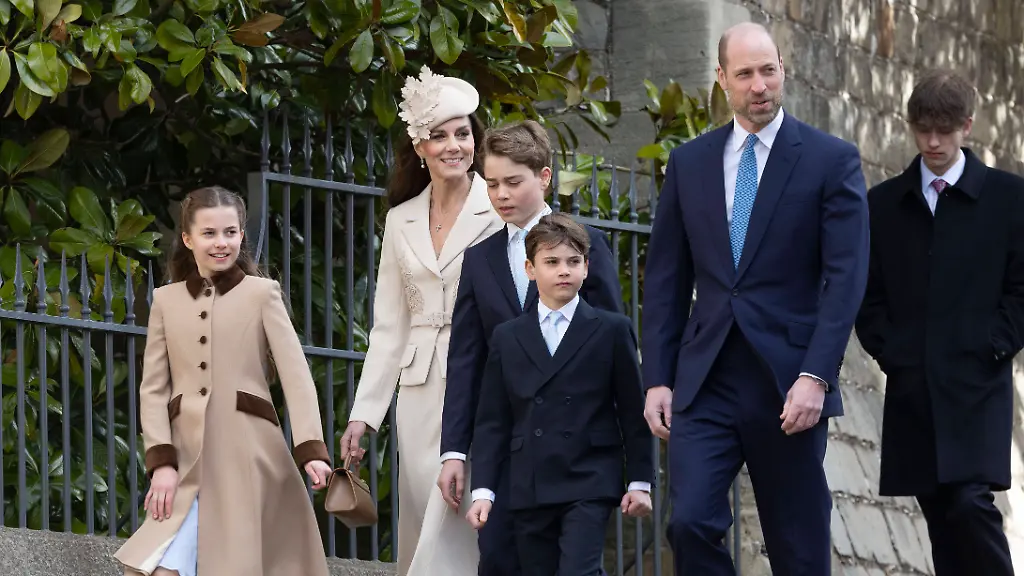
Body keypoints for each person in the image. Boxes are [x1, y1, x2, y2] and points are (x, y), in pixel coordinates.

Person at [641, 22, 869, 575]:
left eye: (768, 70)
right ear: (722, 79)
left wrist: (816, 376)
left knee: (797, 546)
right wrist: (657, 377)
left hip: (787, 382)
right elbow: (666, 278)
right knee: (689, 523)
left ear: (782, 69)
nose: (759, 85)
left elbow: (846, 279)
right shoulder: (690, 162)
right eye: (744, 74)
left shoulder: (829, 160)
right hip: (706, 379)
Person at [113, 186, 334, 576]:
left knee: (233, 562)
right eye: (209, 233)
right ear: (187, 238)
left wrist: (311, 449)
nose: (221, 243)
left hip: (248, 455)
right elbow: (153, 390)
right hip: (185, 460)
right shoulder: (165, 300)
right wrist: (161, 462)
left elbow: (297, 376)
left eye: (231, 232)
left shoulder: (262, 294)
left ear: (241, 235)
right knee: (161, 567)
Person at [855, 69, 1023, 576]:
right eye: (922, 129)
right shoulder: (883, 205)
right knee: (940, 519)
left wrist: (992, 344)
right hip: (913, 389)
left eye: (944, 131)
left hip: (977, 385)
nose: (932, 142)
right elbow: (868, 293)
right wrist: (894, 353)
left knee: (970, 504)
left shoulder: (1010, 199)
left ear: (967, 127)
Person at [338, 66, 504, 576]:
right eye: (440, 136)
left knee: (455, 516)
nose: (454, 145)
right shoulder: (400, 219)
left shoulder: (498, 207)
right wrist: (362, 416)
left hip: (481, 385)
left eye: (463, 133)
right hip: (416, 390)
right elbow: (389, 326)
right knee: (421, 515)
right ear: (420, 147)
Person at [437, 120, 622, 576]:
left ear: (544, 177)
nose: (500, 194)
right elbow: (466, 361)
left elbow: (612, 346)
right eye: (492, 183)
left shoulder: (586, 247)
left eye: (513, 182)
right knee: (499, 562)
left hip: (574, 449)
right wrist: (454, 450)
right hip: (507, 449)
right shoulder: (479, 260)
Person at [465, 213, 654, 575]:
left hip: (590, 476)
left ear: (587, 267)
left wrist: (640, 481)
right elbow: (492, 420)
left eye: (573, 261)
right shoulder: (507, 336)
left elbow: (633, 411)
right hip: (529, 479)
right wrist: (483, 491)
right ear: (530, 269)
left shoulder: (612, 329)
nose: (563, 270)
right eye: (551, 262)